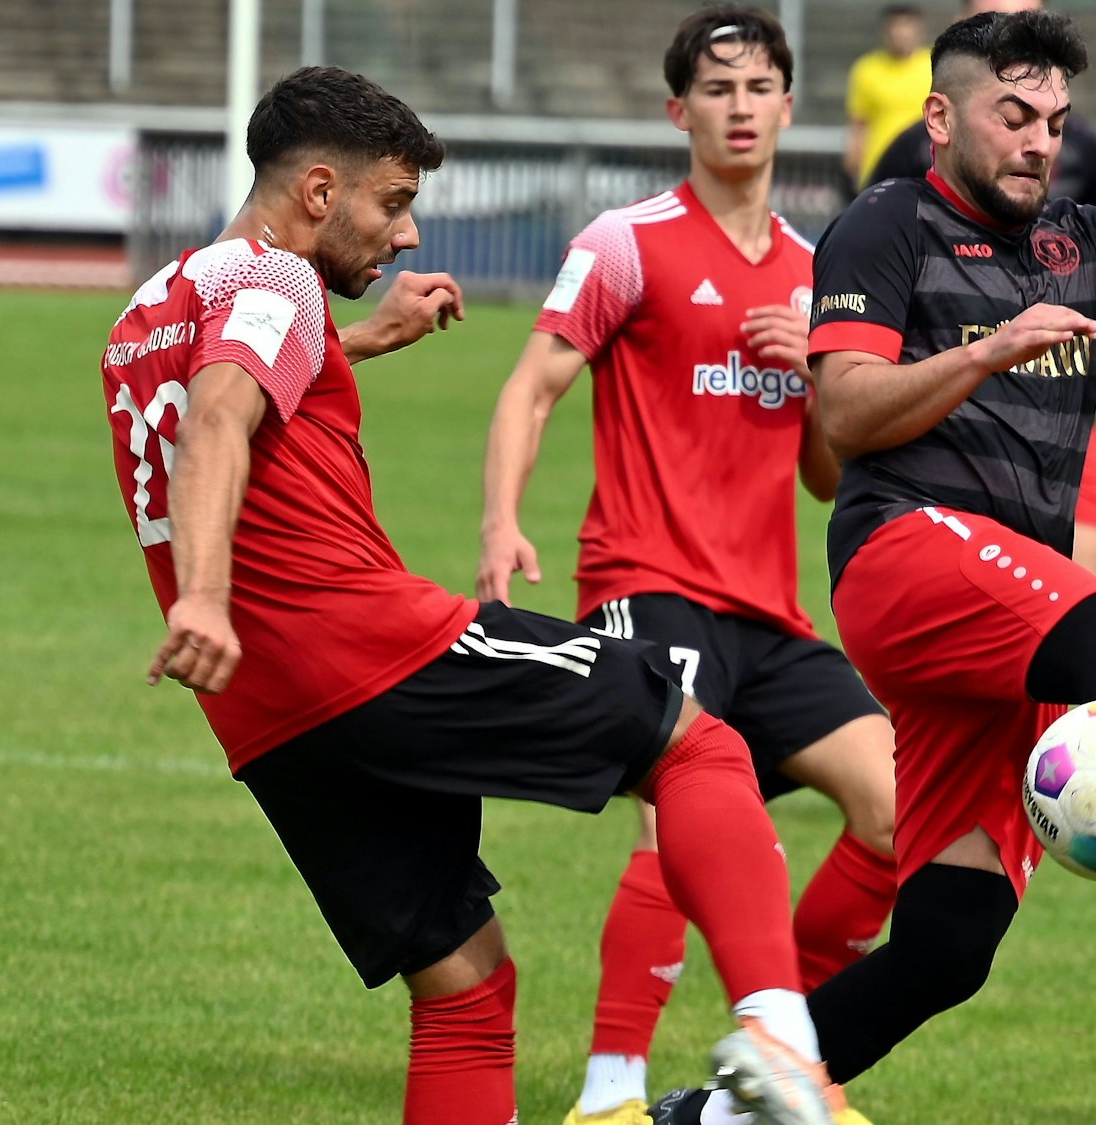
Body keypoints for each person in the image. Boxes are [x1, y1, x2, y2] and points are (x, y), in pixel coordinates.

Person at [101, 65, 855, 1125]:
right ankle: (783, 1041)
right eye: (393, 203)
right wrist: (204, 596)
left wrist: (358, 345)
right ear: (319, 191)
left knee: (463, 985)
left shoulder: (153, 306)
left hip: (264, 714)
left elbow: (224, 390)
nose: (406, 237)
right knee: (695, 742)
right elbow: (222, 416)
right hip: (363, 644)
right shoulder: (272, 280)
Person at [651, 11, 1096, 1123]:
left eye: (1054, 121)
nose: (1039, 140)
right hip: (903, 555)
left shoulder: (1090, 239)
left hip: (999, 612)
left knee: (948, 943)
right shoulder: (882, 226)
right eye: (1013, 115)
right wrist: (984, 350)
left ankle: (715, 1112)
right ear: (940, 117)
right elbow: (840, 413)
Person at [475, 9, 897, 1124]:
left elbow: (823, 474)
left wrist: (814, 371)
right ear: (679, 111)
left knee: (898, 809)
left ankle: (778, 1052)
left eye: (760, 86)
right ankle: (606, 1093)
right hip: (646, 583)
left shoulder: (821, 271)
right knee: (681, 816)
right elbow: (531, 386)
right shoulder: (626, 242)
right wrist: (500, 522)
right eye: (717, 89)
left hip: (769, 610)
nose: (741, 106)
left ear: (790, 107)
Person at [864, 0, 1096, 583]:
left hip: (1059, 420)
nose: (1040, 143)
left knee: (1089, 621)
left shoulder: (1085, 152)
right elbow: (865, 282)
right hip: (938, 437)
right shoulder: (903, 167)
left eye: (1053, 126)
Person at [843, 4, 932, 190]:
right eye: (895, 26)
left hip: (923, 166)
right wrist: (852, 167)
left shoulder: (933, 66)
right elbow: (859, 124)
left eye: (906, 25)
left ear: (918, 30)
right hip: (879, 168)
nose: (900, 33)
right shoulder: (867, 69)